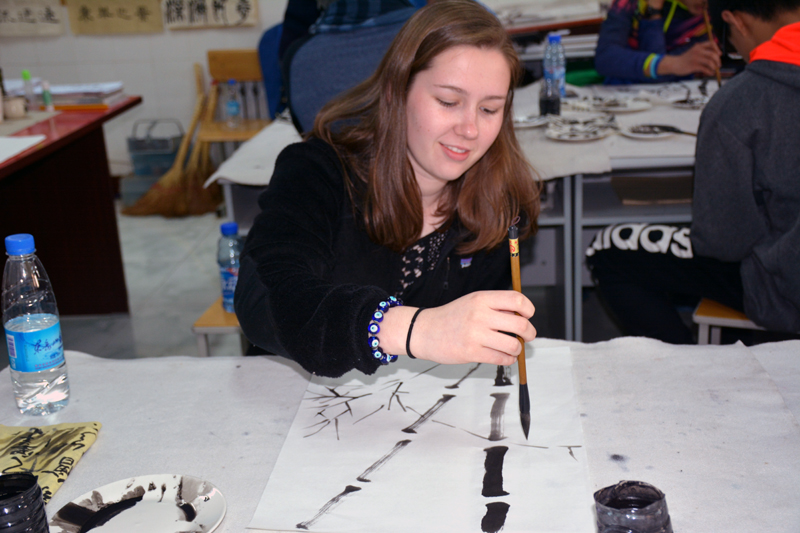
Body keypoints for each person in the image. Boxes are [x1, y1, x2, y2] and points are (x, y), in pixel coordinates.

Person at [235, 0, 541, 377]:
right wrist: (412, 329)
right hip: (295, 393)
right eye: (448, 102)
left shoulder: (499, 202)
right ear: (396, 91)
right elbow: (265, 297)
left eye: (489, 109)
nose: (470, 129)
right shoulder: (318, 170)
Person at [586, 0, 800, 343]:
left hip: (783, 289)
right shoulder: (632, 7)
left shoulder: (740, 101)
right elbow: (608, 58)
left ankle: (693, 365)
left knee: (608, 249)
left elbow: (722, 243)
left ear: (735, 21)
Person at [595, 0, 723, 83]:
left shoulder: (712, 14)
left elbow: (661, 76)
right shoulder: (629, 4)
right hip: (622, 96)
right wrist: (653, 11)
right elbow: (605, 58)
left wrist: (669, 65)